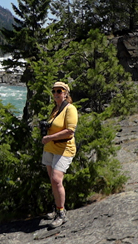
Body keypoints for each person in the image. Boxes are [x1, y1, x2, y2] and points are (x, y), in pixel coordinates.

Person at [41, 82, 77, 227]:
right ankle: (57, 208)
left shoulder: (70, 109)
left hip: (64, 149)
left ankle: (61, 213)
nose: (56, 94)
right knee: (53, 180)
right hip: (50, 148)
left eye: (59, 91)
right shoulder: (55, 109)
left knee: (56, 179)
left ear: (66, 93)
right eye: (54, 91)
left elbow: (70, 131)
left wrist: (49, 137)